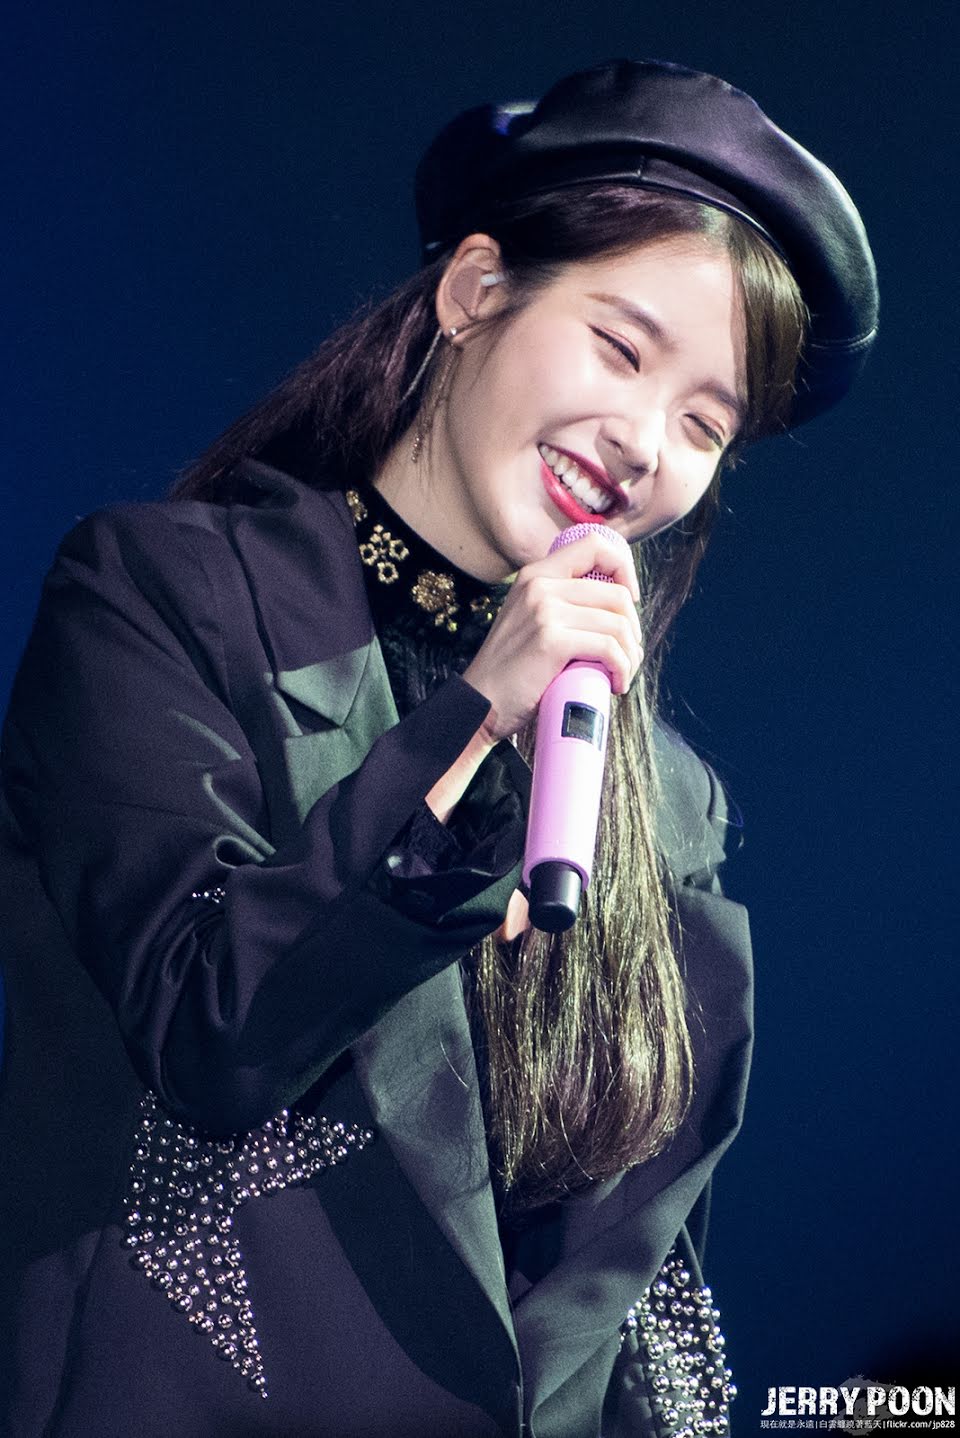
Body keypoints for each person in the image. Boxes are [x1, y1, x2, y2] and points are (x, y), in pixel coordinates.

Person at [0, 59, 877, 1438]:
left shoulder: (669, 808)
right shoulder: (165, 600)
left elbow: (635, 1303)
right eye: (621, 348)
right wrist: (471, 714)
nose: (644, 444)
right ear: (475, 291)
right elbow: (208, 1030)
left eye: (705, 424)